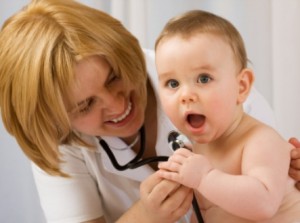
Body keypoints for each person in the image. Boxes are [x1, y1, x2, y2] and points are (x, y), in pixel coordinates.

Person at [0, 1, 299, 223]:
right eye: (85, 106)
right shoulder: (58, 138)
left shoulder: (213, 84)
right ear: (57, 122)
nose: (117, 107)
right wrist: (145, 216)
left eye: (114, 78)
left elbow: (268, 201)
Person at [155, 10, 300, 223]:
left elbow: (264, 204)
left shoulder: (260, 140)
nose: (185, 95)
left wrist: (204, 177)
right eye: (173, 83)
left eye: (204, 79)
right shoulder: (195, 152)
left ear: (241, 87)